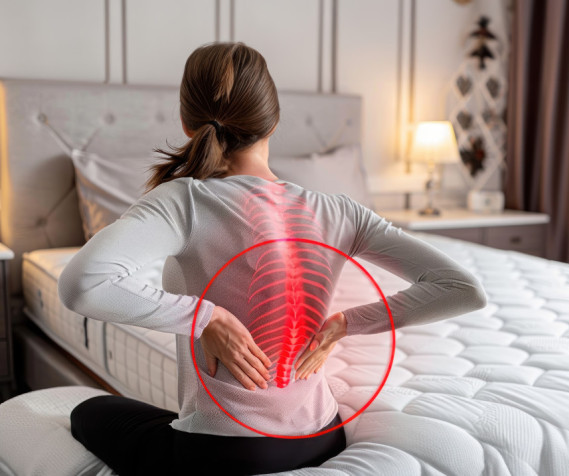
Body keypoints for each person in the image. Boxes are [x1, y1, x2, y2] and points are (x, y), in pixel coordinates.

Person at [57, 42, 487, 476]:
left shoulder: (186, 200)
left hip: (224, 453)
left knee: (88, 410)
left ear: (188, 123)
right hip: (324, 436)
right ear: (273, 121)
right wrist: (345, 324)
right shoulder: (339, 209)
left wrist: (206, 317)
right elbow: (462, 289)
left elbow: (82, 284)